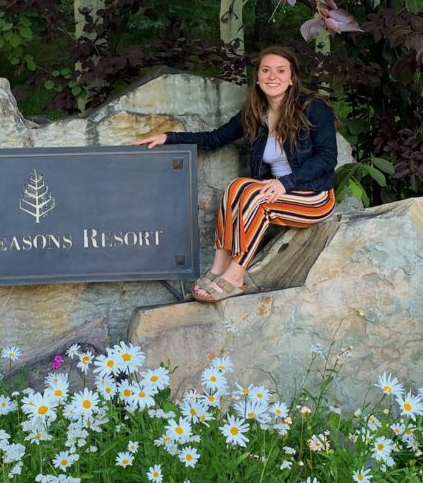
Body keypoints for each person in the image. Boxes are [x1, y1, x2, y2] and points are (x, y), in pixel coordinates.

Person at [135, 46, 337, 302]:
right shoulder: (255, 113)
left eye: (280, 71)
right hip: (279, 193)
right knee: (237, 186)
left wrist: (287, 183)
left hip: (314, 196)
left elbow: (327, 158)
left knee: (255, 196)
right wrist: (168, 137)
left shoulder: (313, 108)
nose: (272, 77)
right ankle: (219, 268)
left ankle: (236, 275)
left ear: (292, 78)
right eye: (266, 70)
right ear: (257, 77)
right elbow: (214, 138)